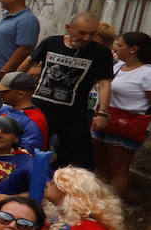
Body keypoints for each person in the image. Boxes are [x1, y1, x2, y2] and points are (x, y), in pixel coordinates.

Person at [20, 11, 115, 170]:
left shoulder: (100, 52)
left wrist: (103, 113)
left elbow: (104, 84)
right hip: (39, 111)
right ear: (69, 28)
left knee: (80, 165)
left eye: (92, 34)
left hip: (74, 115)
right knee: (28, 154)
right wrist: (14, 87)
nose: (86, 38)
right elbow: (29, 61)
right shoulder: (51, 42)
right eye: (81, 33)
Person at [93, 30, 151, 196]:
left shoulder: (147, 73)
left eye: (120, 45)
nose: (116, 48)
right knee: (100, 165)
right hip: (105, 119)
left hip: (127, 124)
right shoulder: (117, 67)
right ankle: (96, 202)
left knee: (118, 168)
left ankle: (113, 206)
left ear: (134, 49)